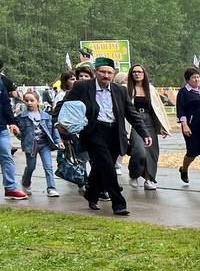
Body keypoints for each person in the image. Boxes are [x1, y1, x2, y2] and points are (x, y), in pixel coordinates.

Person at [61, 57, 149, 214]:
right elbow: (65, 105)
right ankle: (119, 204)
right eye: (102, 72)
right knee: (108, 167)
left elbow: (131, 113)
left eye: (109, 73)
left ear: (113, 74)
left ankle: (91, 194)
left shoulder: (120, 90)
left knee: (99, 168)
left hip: (115, 132)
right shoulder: (82, 87)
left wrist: (144, 133)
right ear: (96, 72)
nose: (106, 76)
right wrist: (58, 123)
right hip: (94, 131)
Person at [125, 64, 170, 190]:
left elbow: (158, 109)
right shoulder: (126, 89)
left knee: (152, 152)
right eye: (134, 72)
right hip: (134, 122)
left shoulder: (150, 89)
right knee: (139, 151)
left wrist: (162, 126)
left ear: (144, 74)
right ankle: (134, 174)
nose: (137, 74)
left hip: (149, 120)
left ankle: (149, 179)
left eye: (139, 72)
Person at [17, 90, 63, 197]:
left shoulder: (46, 116)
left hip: (44, 144)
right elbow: (20, 134)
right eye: (26, 100)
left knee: (48, 166)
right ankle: (26, 182)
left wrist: (58, 141)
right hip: (31, 145)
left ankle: (51, 188)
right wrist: (17, 133)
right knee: (31, 167)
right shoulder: (21, 117)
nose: (29, 103)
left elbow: (53, 130)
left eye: (32, 100)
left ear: (37, 101)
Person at [0, 70, 19, 200]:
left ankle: (11, 188)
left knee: (7, 157)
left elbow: (6, 103)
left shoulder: (1, 82)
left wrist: (12, 122)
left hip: (1, 127)